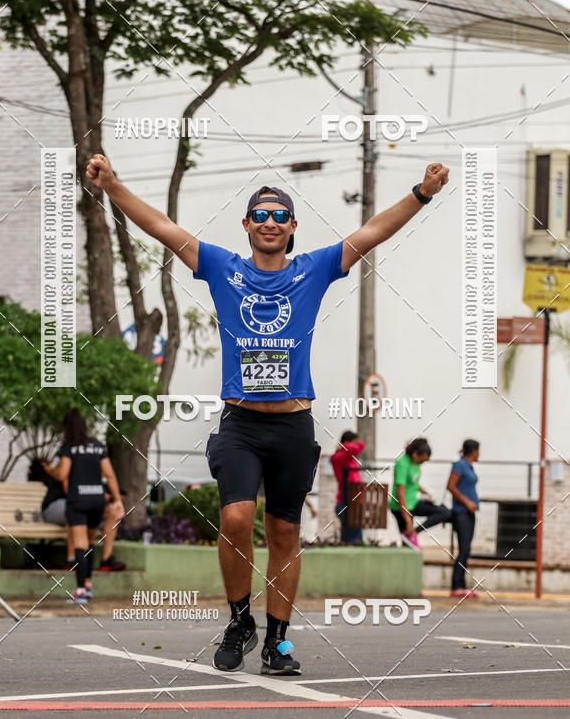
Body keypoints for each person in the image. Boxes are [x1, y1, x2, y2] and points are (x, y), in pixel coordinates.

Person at [87, 151, 449, 675]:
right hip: (242, 423)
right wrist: (113, 186)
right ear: (247, 225)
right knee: (236, 517)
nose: (270, 222)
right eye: (261, 214)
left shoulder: (314, 269)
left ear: (293, 226)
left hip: (293, 425)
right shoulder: (222, 267)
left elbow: (372, 232)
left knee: (284, 533)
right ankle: (240, 620)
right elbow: (163, 227)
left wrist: (422, 194)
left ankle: (277, 642)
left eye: (281, 215)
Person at [56, 409, 125, 603]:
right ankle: (87, 584)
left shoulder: (69, 447)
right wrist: (118, 500)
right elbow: (110, 475)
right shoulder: (97, 446)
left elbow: (62, 475)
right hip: (96, 501)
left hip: (77, 501)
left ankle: (80, 591)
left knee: (80, 544)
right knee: (90, 542)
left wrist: (52, 471)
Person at [29, 458, 126, 572]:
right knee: (75, 508)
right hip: (56, 506)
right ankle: (71, 560)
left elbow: (102, 492)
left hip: (84, 507)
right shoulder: (71, 459)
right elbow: (69, 491)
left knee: (113, 511)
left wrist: (110, 499)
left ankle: (107, 559)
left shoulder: (96, 471)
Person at [390, 438, 451, 550]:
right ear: (415, 454)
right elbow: (400, 494)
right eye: (422, 461)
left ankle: (413, 532)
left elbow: (413, 482)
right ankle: (408, 535)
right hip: (401, 507)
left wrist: (426, 493)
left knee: (444, 512)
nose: (422, 464)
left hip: (413, 502)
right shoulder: (402, 464)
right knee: (408, 547)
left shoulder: (415, 463)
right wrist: (408, 521)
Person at [447, 438, 480, 598]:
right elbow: (451, 486)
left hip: (469, 513)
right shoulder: (460, 465)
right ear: (474, 451)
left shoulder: (469, 466)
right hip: (461, 513)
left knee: (466, 550)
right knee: (464, 549)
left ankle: (462, 585)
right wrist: (467, 502)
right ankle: (457, 585)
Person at [330, 431, 365, 544]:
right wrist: (345, 445)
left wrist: (349, 444)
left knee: (357, 539)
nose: (357, 445)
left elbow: (361, 445)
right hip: (345, 502)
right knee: (352, 540)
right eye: (355, 442)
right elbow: (356, 448)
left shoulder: (351, 458)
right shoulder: (337, 458)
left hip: (355, 503)